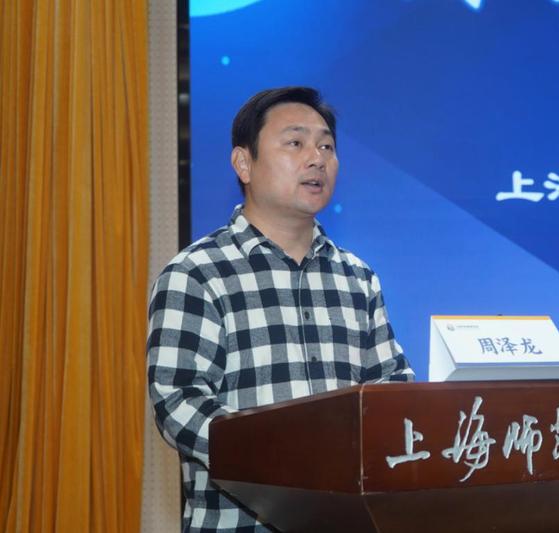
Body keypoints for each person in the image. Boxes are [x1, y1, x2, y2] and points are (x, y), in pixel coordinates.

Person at [147, 87, 414, 532]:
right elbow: (179, 402)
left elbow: (392, 390)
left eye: (326, 146)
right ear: (243, 163)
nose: (317, 159)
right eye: (295, 142)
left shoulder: (357, 277)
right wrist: (286, 461)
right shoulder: (197, 273)